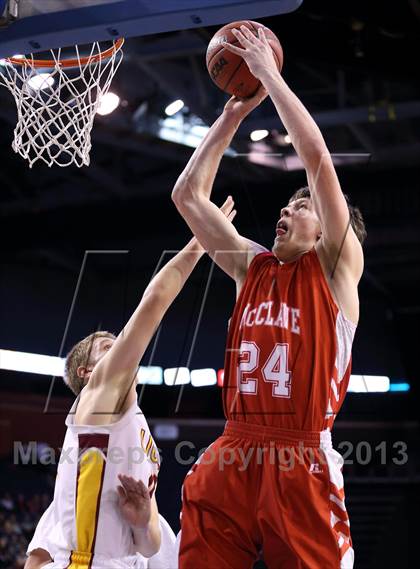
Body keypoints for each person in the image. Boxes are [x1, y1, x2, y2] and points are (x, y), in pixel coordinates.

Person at [172, 25, 366, 569]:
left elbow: (317, 160)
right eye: (286, 205)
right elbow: (187, 195)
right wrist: (233, 114)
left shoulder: (336, 268)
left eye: (300, 207)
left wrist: (269, 76)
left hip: (300, 453)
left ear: (330, 228)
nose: (286, 211)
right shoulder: (250, 269)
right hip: (235, 446)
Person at [23, 198, 236, 569]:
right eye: (107, 347)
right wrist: (201, 240)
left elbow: (152, 544)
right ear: (89, 374)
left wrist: (142, 520)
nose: (120, 347)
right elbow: (154, 301)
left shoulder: (143, 439)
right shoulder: (97, 401)